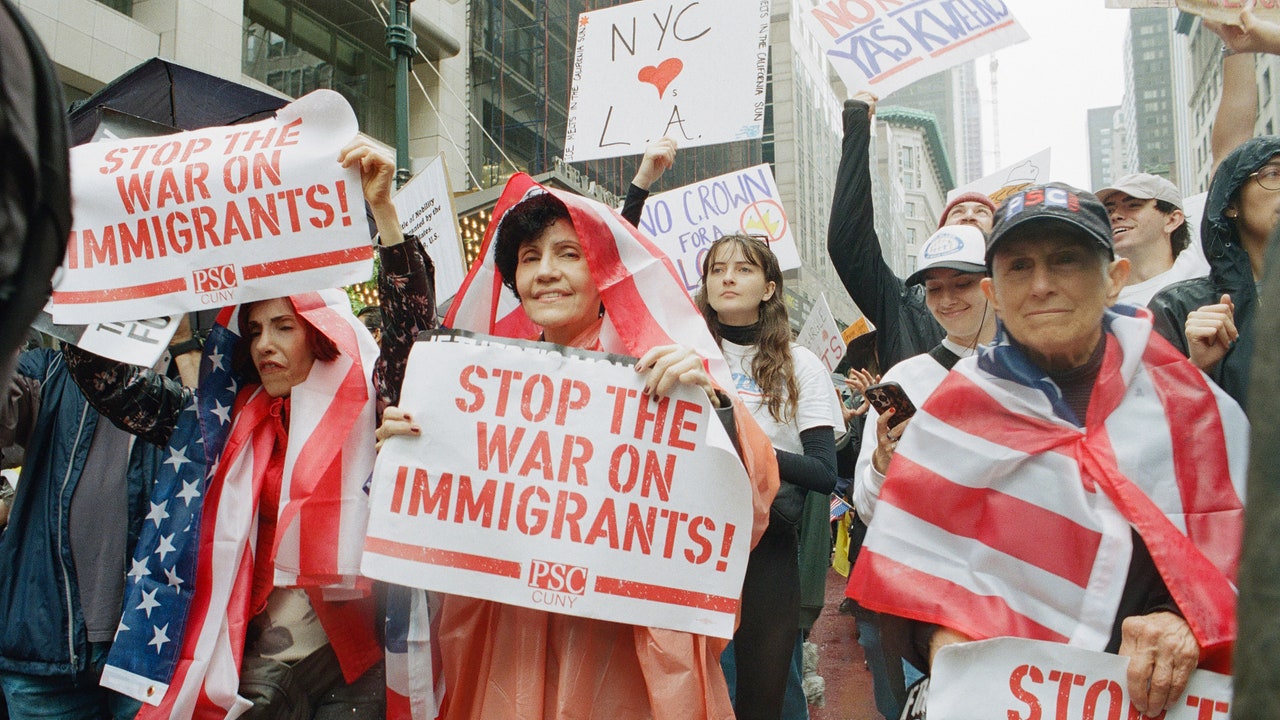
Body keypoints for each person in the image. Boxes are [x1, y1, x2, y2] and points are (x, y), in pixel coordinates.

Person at [378, 174, 779, 719]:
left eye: (569, 253)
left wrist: (713, 408)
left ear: (604, 272)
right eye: (529, 257)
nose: (546, 271)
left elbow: (750, 500)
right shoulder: (480, 388)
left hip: (621, 656)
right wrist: (410, 450)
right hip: (511, 644)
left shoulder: (661, 370)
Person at [59, 138, 434, 719]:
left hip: (351, 664)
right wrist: (102, 261)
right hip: (249, 671)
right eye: (254, 330)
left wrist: (383, 212)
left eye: (283, 326)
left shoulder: (374, 405)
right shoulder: (216, 423)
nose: (264, 344)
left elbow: (410, 333)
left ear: (319, 330)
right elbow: (108, 382)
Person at [848, 183, 1247, 717]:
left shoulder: (1192, 408)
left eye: (1066, 261)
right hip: (1000, 699)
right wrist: (939, 637)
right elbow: (910, 567)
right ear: (994, 292)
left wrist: (1183, 618)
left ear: (1114, 278)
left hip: (1149, 699)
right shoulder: (952, 414)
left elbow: (1244, 549)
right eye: (1019, 266)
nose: (1041, 285)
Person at [690, 234, 840, 719]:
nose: (728, 278)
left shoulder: (801, 365)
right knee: (696, 690)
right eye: (717, 270)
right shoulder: (687, 354)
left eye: (743, 269)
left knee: (765, 696)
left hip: (766, 545)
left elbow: (823, 471)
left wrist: (746, 446)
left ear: (770, 287)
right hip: (691, 540)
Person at [826, 91, 995, 372]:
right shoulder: (905, 303)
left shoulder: (1025, 310)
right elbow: (849, 245)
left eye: (981, 212)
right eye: (935, 288)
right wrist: (857, 124)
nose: (968, 215)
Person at [848, 224, 995, 524]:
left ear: (994, 285)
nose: (947, 300)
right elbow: (866, 509)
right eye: (934, 289)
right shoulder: (905, 378)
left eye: (962, 283)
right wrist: (882, 466)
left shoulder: (1031, 370)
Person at [1149, 136, 1280, 408]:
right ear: (1231, 204)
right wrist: (1197, 368)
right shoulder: (1177, 308)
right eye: (1273, 174)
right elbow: (1148, 421)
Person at [1095, 173, 1207, 307]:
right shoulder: (1099, 300)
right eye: (1109, 210)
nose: (1115, 216)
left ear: (1172, 220)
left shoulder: (1201, 263)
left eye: (1133, 205)